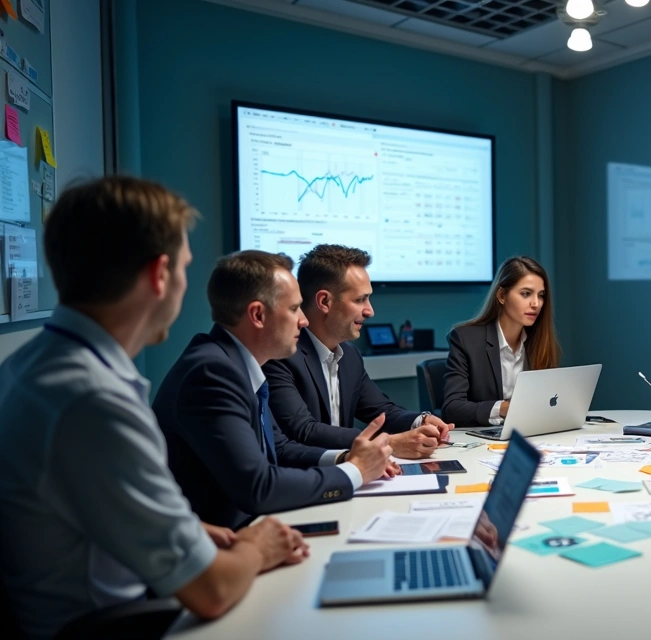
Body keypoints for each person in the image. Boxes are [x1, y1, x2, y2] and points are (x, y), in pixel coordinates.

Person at [0, 177, 308, 639]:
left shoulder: (29, 367)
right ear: (160, 274)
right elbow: (213, 590)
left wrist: (189, 530)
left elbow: (87, 509)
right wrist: (258, 546)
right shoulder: (95, 401)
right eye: (184, 268)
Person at [154, 250, 400, 530]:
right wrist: (354, 472)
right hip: (222, 539)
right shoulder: (212, 373)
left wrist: (345, 458)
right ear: (258, 315)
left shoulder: (234, 363)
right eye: (294, 309)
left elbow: (280, 449)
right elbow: (259, 487)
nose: (304, 320)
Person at [264, 244, 452, 458]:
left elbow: (381, 411)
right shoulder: (281, 354)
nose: (370, 311)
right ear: (324, 301)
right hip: (310, 473)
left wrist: (421, 420)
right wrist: (389, 443)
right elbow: (303, 431)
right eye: (360, 300)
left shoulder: (349, 354)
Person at [443, 256, 561, 429]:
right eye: (526, 294)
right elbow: (452, 408)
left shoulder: (540, 342)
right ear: (501, 295)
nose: (536, 303)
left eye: (541, 295)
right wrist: (504, 408)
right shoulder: (465, 339)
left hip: (531, 434)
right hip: (483, 438)